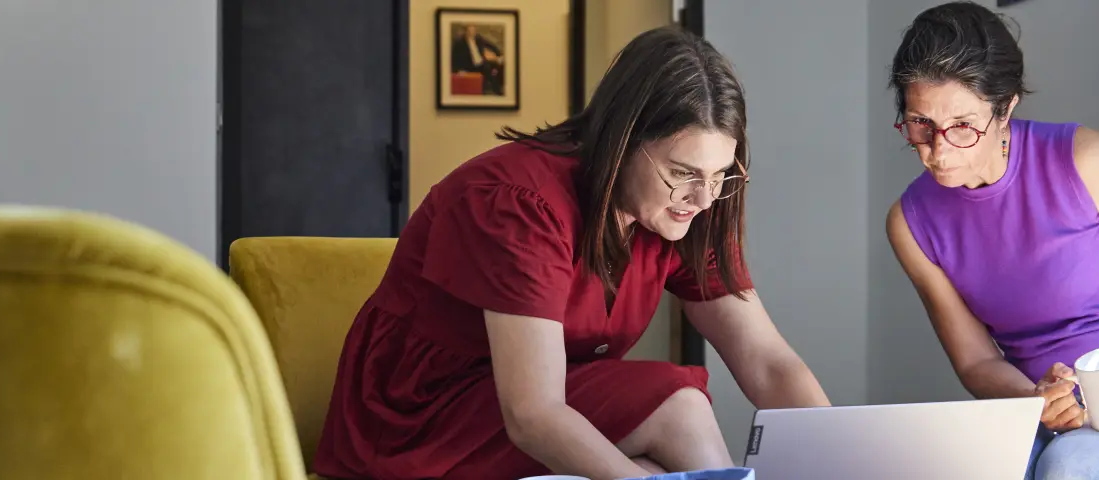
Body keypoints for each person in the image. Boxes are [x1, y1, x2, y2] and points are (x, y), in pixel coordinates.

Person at [316, 27, 831, 480]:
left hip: (549, 406)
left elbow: (766, 363)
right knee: (677, 407)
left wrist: (845, 461)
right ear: (623, 139)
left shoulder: (692, 205)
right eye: (683, 173)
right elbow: (533, 413)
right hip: (423, 415)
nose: (702, 198)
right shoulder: (521, 203)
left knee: (662, 447)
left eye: (721, 176)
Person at [881, 3, 1099, 479]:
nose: (940, 150)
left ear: (1006, 106)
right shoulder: (911, 223)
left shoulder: (1081, 159)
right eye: (921, 125)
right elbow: (976, 360)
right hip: (1051, 408)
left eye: (963, 125)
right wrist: (1036, 400)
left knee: (1072, 468)